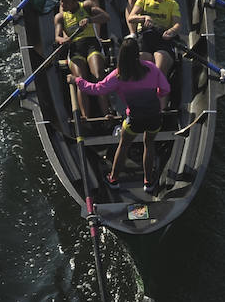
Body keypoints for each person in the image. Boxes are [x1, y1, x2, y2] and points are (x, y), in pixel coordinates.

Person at [73, 35, 170, 191]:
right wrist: (153, 96)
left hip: (135, 119)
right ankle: (148, 182)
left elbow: (96, 89)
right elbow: (165, 89)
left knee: (124, 145)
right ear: (137, 53)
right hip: (154, 117)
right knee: (149, 144)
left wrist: (76, 81)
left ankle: (114, 179)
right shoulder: (151, 68)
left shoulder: (118, 75)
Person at [55, 0, 110, 117]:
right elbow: (57, 37)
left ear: (74, 1)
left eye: (65, 2)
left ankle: (106, 114)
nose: (62, 4)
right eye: (61, 1)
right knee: (81, 80)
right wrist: (63, 40)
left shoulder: (86, 6)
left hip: (92, 45)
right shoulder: (60, 17)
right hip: (75, 49)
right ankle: (85, 117)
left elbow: (106, 17)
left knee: (99, 76)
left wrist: (90, 20)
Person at [127, 0, 181, 79]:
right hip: (145, 37)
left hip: (162, 38)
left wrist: (171, 31)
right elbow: (131, 18)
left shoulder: (172, 4)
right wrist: (144, 18)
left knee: (159, 69)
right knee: (143, 68)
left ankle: (161, 90)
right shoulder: (143, 0)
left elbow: (177, 25)